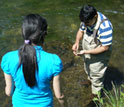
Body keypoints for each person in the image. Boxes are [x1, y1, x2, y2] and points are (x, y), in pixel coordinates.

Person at [1, 14, 65, 107]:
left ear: (23, 33)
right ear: (44, 34)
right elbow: (59, 96)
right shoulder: (53, 61)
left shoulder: (8, 58)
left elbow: (9, 92)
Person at [72, 5, 113, 96]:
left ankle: (96, 96)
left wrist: (85, 52)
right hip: (88, 50)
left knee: (97, 75)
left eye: (87, 23)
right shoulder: (86, 19)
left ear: (95, 17)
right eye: (84, 22)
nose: (85, 24)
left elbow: (105, 47)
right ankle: (89, 81)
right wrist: (77, 42)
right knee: (87, 67)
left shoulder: (105, 27)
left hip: (100, 55)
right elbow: (81, 31)